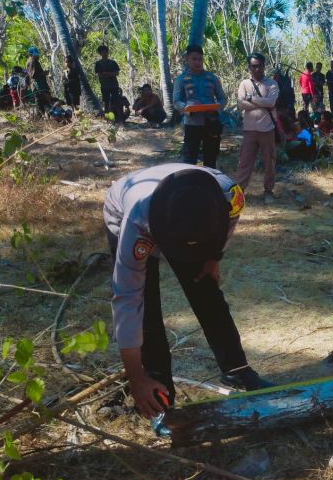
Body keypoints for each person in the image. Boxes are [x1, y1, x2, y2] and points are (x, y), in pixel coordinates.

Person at [103, 164, 272, 429]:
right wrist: (136, 378)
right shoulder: (137, 221)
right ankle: (160, 396)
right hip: (126, 210)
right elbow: (128, 299)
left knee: (206, 289)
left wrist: (214, 257)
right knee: (146, 308)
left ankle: (237, 369)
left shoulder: (228, 194)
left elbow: (229, 224)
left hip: (186, 215)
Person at [173, 45, 227, 169]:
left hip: (211, 122)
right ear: (187, 59)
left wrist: (217, 109)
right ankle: (190, 185)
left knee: (211, 158)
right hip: (192, 123)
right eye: (194, 59)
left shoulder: (212, 78)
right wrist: (187, 107)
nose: (198, 62)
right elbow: (176, 101)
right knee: (190, 159)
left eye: (200, 59)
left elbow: (223, 99)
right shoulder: (181, 80)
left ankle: (209, 184)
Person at [236, 52, 279, 205]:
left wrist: (251, 98)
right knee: (244, 163)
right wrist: (262, 101)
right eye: (254, 66)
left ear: (264, 66)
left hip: (267, 130)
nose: (257, 69)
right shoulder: (244, 84)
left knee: (269, 162)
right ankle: (239, 193)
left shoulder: (272, 84)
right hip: (249, 130)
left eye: (260, 66)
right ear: (249, 67)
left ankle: (268, 191)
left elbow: (271, 102)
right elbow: (241, 104)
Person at [95, 45, 121, 109]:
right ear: (100, 53)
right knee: (106, 102)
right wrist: (110, 74)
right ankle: (107, 116)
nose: (104, 53)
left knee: (115, 101)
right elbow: (99, 74)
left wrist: (107, 74)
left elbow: (117, 73)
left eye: (106, 52)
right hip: (104, 86)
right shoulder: (98, 64)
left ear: (108, 52)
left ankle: (117, 115)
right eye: (103, 52)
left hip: (114, 85)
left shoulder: (113, 62)